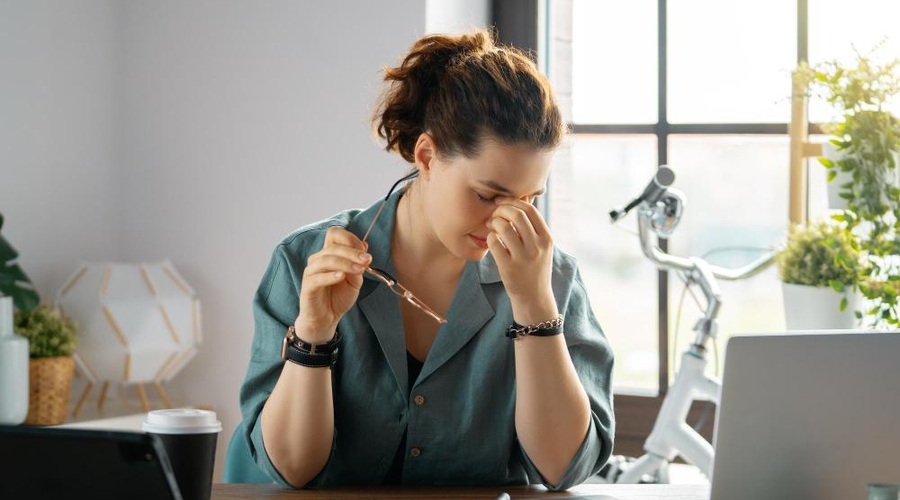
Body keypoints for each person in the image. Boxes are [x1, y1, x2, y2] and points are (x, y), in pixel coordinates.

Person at [239, 28, 614, 491]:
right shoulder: (305, 262)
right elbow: (291, 469)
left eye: (529, 199)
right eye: (486, 195)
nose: (509, 221)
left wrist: (536, 307)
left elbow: (564, 469)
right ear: (427, 156)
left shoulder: (552, 279)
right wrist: (314, 335)